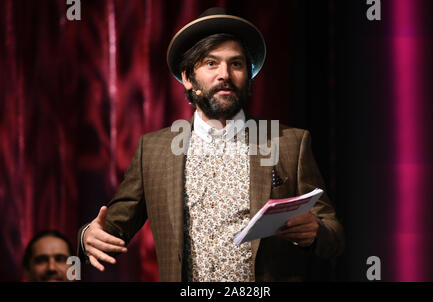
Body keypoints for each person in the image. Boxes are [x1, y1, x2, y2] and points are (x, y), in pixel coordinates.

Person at [78, 7, 344, 281]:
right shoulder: (154, 150)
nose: (225, 74)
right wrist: (88, 236)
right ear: (187, 78)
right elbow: (112, 227)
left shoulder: (289, 143)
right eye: (211, 63)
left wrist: (317, 233)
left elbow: (333, 235)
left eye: (236, 64)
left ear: (248, 75)